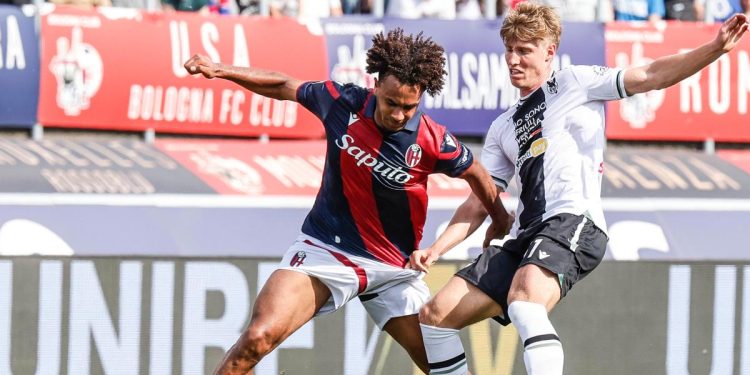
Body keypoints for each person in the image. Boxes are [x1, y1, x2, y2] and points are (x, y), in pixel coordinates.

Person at [412, 3, 748, 375]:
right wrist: (436, 248)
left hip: (572, 221)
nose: (513, 60)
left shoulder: (576, 82)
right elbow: (479, 201)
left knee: (525, 302)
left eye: (524, 50)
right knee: (434, 317)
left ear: (549, 50)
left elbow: (650, 74)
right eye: (509, 50)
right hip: (527, 235)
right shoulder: (502, 128)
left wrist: (713, 48)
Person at [184, 28, 513, 375]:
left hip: (394, 270)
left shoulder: (433, 140)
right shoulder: (341, 102)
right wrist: (221, 70)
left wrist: (500, 220)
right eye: (392, 103)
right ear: (375, 86)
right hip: (326, 250)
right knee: (257, 339)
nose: (399, 114)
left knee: (448, 371)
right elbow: (283, 85)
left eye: (409, 107)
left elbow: (478, 175)